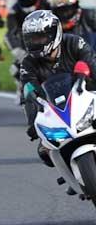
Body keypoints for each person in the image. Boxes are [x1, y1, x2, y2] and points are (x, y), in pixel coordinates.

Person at [21, 9, 96, 167]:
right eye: (32, 39)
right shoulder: (28, 63)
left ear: (53, 33)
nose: (36, 42)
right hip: (58, 109)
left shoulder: (75, 43)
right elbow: (29, 92)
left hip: (88, 94)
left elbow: (91, 63)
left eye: (40, 37)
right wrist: (32, 123)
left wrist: (86, 72)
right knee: (45, 151)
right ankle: (72, 173)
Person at [5, 0, 48, 103]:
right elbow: (10, 33)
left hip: (50, 39)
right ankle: (22, 88)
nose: (27, 2)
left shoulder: (47, 2)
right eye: (23, 0)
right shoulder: (14, 11)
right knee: (16, 67)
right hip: (28, 44)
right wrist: (17, 50)